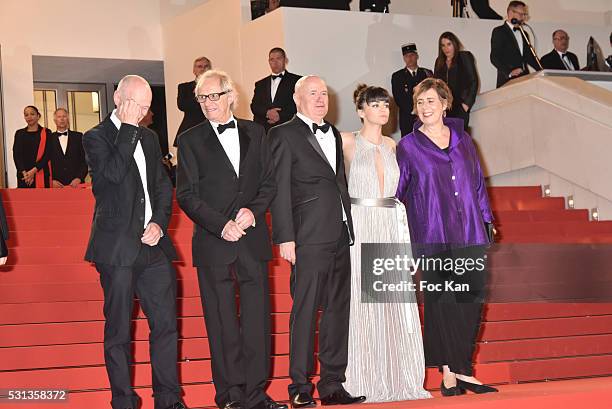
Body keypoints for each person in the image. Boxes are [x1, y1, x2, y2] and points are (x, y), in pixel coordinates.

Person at [176, 69, 283, 409]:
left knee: (256, 321)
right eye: (202, 97)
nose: (208, 103)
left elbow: (269, 182)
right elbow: (187, 195)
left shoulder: (256, 132)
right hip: (213, 242)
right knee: (221, 323)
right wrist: (221, 225)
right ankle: (229, 396)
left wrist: (253, 211)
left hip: (252, 240)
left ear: (230, 96)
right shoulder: (190, 140)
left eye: (213, 96)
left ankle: (256, 394)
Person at [83, 75, 186, 409]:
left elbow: (160, 185)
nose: (141, 113)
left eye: (146, 107)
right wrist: (127, 129)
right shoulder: (95, 137)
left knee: (166, 325)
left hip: (153, 247)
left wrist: (158, 222)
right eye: (136, 105)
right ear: (118, 98)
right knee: (118, 332)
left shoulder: (151, 137)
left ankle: (168, 400)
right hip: (116, 249)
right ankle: (124, 401)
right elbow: (110, 178)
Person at [395, 78, 497, 397]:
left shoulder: (463, 139)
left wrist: (487, 219)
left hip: (469, 230)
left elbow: (477, 182)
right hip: (432, 232)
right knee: (442, 304)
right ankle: (451, 372)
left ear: (444, 104)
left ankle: (462, 368)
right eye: (420, 102)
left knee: (471, 300)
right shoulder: (408, 147)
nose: (425, 107)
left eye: (430, 101)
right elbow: (400, 194)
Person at [268, 75, 366, 408]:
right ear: (298, 99)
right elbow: (278, 189)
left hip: (340, 233)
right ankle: (298, 385)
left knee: (338, 311)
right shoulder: (282, 134)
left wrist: (349, 224)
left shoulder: (335, 135)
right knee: (306, 311)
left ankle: (332, 384)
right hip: (307, 236)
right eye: (313, 93)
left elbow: (337, 181)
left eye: (324, 93)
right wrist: (285, 237)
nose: (320, 98)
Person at [340, 84, 431, 402]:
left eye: (386, 105)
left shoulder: (394, 145)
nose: (382, 110)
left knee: (392, 302)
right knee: (363, 303)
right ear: (361, 110)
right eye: (375, 104)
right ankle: (363, 376)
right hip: (361, 225)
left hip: (390, 227)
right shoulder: (347, 142)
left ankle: (398, 376)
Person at [434, 32, 478, 131]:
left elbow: (473, 81)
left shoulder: (464, 57)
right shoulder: (439, 62)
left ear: (454, 44)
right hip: (444, 109)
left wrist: (466, 104)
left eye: (449, 44)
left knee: (459, 141)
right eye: (443, 45)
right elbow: (436, 85)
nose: (446, 48)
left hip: (460, 107)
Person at [490, 1, 541, 87]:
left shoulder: (524, 34)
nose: (523, 18)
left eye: (525, 15)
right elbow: (494, 57)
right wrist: (509, 72)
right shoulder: (499, 31)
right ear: (510, 13)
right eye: (521, 14)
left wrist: (542, 70)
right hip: (507, 81)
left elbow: (529, 57)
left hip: (524, 79)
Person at [250, 48, 302, 132]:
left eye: (279, 58)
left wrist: (279, 115)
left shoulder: (297, 81)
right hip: (264, 131)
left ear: (285, 60)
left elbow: (299, 105)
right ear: (269, 62)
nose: (275, 62)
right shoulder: (260, 84)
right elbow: (254, 106)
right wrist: (267, 113)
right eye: (272, 59)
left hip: (288, 129)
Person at [391, 44, 433, 137]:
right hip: (407, 118)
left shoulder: (427, 73)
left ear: (417, 56)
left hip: (425, 116)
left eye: (412, 55)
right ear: (403, 58)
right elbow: (399, 99)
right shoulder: (397, 76)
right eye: (406, 56)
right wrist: (414, 111)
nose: (409, 58)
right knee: (408, 147)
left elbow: (431, 94)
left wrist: (422, 111)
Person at [173, 56, 211, 146]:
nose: (203, 69)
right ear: (194, 70)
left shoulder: (217, 88)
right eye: (199, 66)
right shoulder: (184, 87)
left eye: (206, 66)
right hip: (190, 129)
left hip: (210, 129)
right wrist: (198, 95)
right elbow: (182, 105)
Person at [12, 105, 52, 188]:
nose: (29, 117)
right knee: (24, 200)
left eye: (32, 114)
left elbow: (47, 154)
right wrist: (25, 173)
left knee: (41, 200)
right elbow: (16, 155)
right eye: (26, 115)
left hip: (41, 172)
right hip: (24, 176)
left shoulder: (47, 132)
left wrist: (33, 172)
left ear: (38, 116)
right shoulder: (19, 133)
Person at [49, 108, 88, 188]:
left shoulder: (79, 136)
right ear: (55, 120)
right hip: (56, 185)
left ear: (68, 119)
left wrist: (79, 178)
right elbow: (46, 163)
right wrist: (50, 180)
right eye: (59, 117)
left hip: (76, 184)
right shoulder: (49, 138)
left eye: (64, 116)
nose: (62, 119)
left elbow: (85, 160)